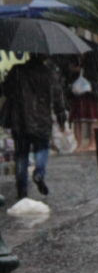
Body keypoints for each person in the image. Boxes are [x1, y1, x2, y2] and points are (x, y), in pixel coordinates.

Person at [2, 55, 67, 199]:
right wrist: (61, 118)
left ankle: (22, 190)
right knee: (42, 149)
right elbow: (58, 99)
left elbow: (6, 89)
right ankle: (39, 173)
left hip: (20, 119)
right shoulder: (50, 74)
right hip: (41, 120)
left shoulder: (17, 71)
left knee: (21, 155)